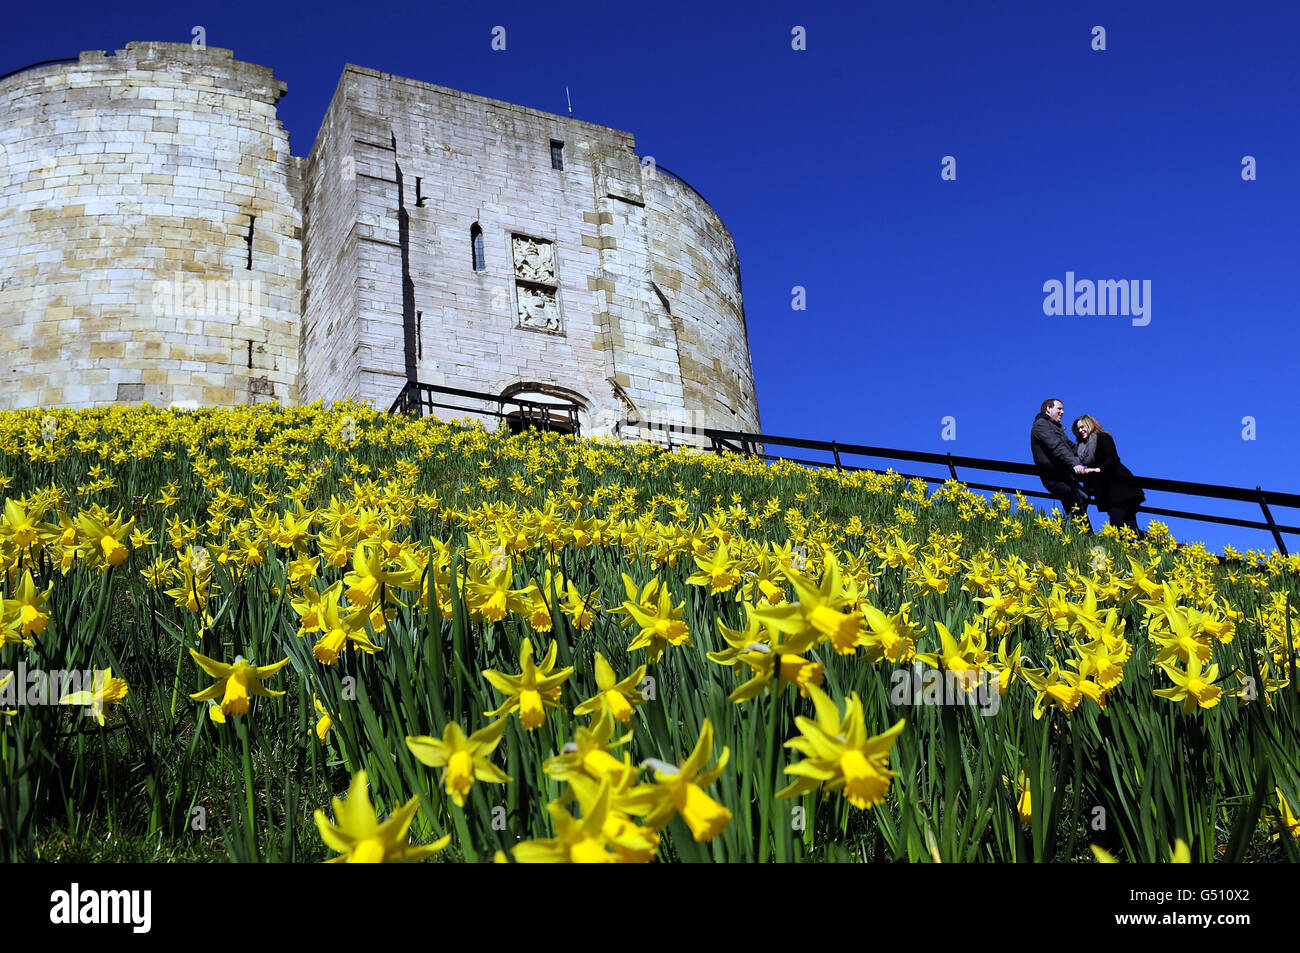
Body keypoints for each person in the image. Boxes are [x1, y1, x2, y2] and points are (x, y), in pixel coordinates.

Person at [1072, 414, 1145, 537]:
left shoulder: (1102, 437)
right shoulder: (1082, 448)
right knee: (1131, 528)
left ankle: (1138, 547)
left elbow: (1113, 458)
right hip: (1109, 491)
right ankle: (1162, 543)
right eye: (1078, 429)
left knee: (1118, 523)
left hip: (1120, 488)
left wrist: (1098, 469)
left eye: (1083, 427)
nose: (1081, 430)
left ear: (1090, 425)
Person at [1030, 398, 1096, 531]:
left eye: (1063, 409)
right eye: (1059, 409)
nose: (1062, 412)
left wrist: (1094, 454)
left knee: (1082, 497)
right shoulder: (1041, 425)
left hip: (1064, 477)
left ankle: (1073, 532)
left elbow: (1072, 448)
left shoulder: (1056, 428)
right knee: (1076, 498)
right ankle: (1083, 535)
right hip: (1053, 477)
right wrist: (1075, 464)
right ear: (1048, 408)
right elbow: (1057, 446)